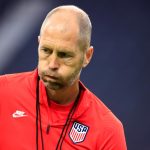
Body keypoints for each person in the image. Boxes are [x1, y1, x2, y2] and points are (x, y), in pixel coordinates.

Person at [0, 5, 127, 150]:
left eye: (64, 55)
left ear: (87, 56)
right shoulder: (3, 93)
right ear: (38, 44)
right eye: (46, 50)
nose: (53, 64)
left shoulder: (107, 131)